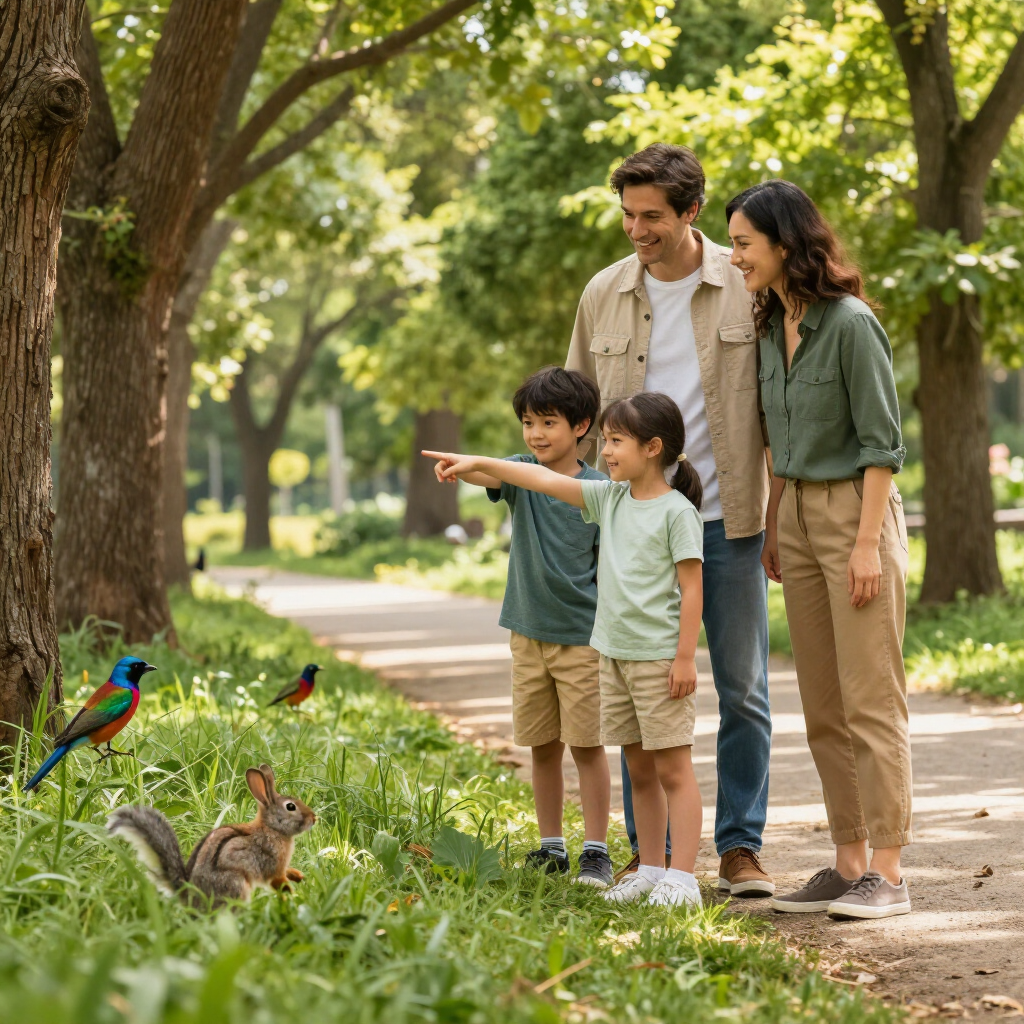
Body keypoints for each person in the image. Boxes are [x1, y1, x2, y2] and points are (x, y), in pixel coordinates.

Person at [566, 143, 774, 898]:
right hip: (633, 531)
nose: (636, 230)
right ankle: (649, 857)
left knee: (743, 688)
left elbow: (772, 407)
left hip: (730, 520)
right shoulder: (604, 293)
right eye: (627, 214)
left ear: (690, 211)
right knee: (632, 682)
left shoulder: (747, 285)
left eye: (652, 216)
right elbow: (580, 418)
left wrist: (778, 510)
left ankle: (740, 847)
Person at [425, 391, 707, 909]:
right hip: (614, 655)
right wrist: (478, 463)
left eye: (617, 441)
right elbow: (542, 479)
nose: (606, 452)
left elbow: (693, 589)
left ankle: (682, 878)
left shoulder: (676, 512)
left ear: (653, 448)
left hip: (659, 658)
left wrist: (686, 657)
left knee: (673, 769)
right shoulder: (609, 499)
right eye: (605, 440)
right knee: (640, 770)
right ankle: (649, 869)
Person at [726, 179, 913, 920]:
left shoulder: (852, 324)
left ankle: (890, 874)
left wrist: (866, 545)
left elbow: (882, 447)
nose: (735, 256)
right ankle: (848, 863)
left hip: (854, 516)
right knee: (823, 706)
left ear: (783, 243)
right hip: (796, 516)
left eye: (744, 243)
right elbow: (775, 441)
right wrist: (775, 525)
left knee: (872, 699)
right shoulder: (772, 328)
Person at [431, 366, 614, 886]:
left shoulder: (600, 489)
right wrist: (461, 466)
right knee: (541, 745)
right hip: (527, 635)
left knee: (586, 746)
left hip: (582, 640)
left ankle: (596, 851)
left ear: (581, 426)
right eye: (529, 423)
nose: (536, 434)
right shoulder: (517, 473)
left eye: (548, 423)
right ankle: (551, 845)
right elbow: (488, 475)